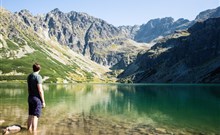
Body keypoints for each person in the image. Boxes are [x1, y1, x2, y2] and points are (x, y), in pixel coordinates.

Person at [27, 63, 46, 132]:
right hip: (37, 99)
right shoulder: (38, 77)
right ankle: (34, 132)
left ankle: (28, 130)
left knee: (30, 114)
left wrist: (30, 96)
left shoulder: (29, 76)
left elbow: (28, 88)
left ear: (33, 68)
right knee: (35, 116)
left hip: (30, 97)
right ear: (39, 69)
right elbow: (40, 90)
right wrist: (43, 101)